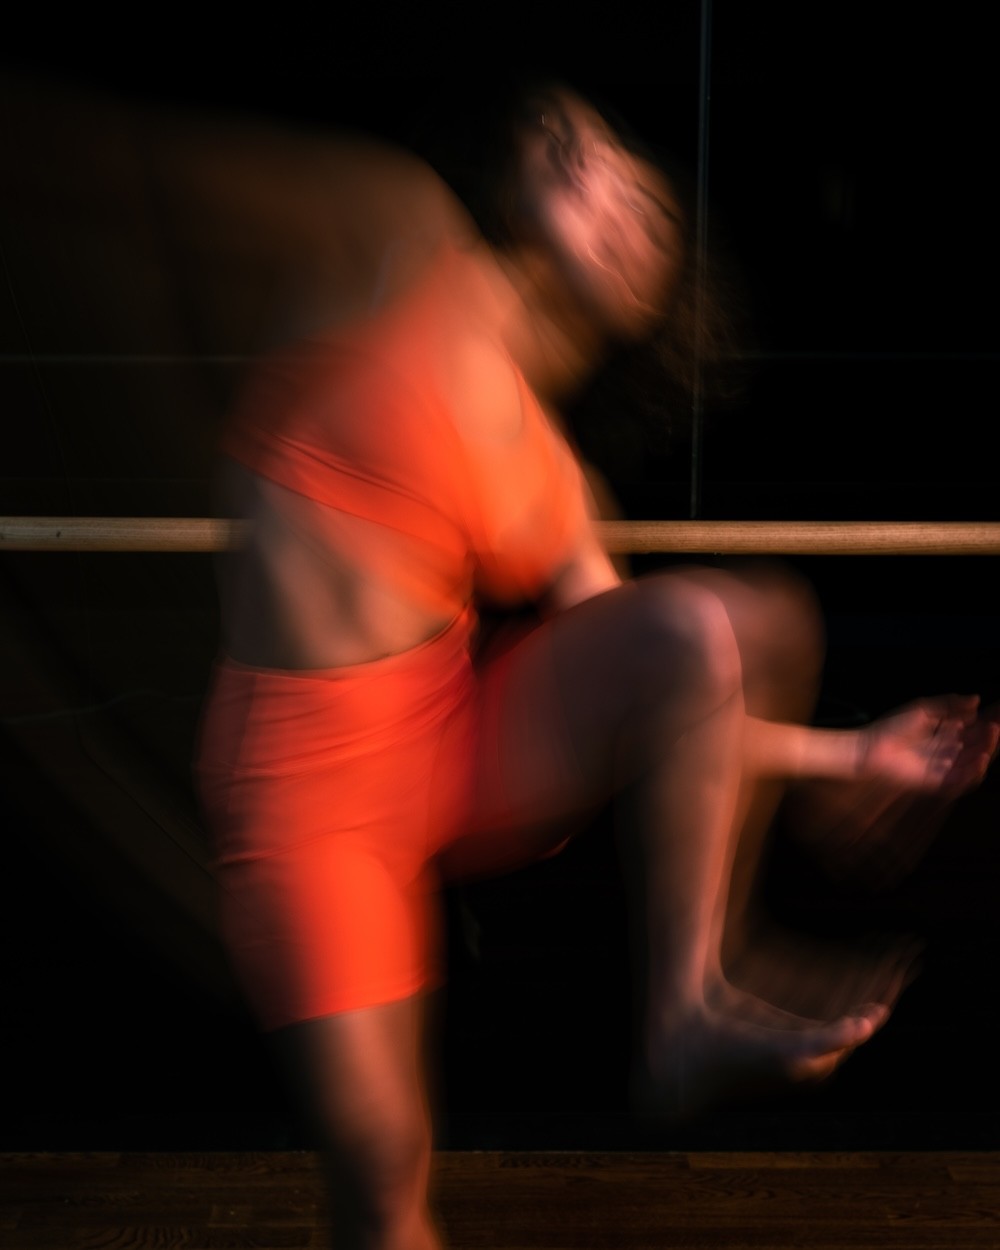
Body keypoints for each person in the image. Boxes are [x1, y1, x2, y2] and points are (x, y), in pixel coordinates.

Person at [193, 80, 998, 1250]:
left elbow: (684, 707)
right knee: (381, 1174)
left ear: (643, 304)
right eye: (598, 153)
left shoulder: (560, 487)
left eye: (649, 212)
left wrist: (851, 751)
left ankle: (686, 1006)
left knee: (712, 625)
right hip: (305, 795)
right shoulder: (399, 237)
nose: (613, 183)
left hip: (448, 746)